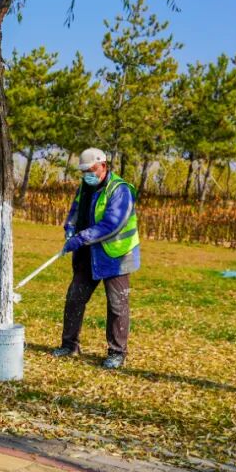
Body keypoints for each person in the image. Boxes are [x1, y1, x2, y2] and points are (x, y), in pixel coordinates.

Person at [53, 148, 140, 370]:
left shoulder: (119, 190)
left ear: (103, 166)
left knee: (117, 305)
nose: (87, 175)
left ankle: (117, 353)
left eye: (91, 170)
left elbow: (112, 223)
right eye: (84, 171)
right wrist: (70, 228)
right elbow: (75, 211)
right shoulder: (85, 186)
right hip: (87, 253)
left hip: (115, 256)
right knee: (74, 298)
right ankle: (69, 345)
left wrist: (82, 237)